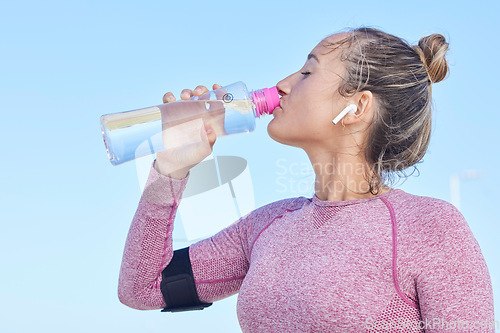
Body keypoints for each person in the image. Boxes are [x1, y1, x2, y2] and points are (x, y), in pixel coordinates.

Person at [117, 27, 495, 332]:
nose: (282, 84)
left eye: (307, 72)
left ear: (357, 107)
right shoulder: (267, 225)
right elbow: (143, 287)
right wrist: (172, 168)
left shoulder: (430, 227)